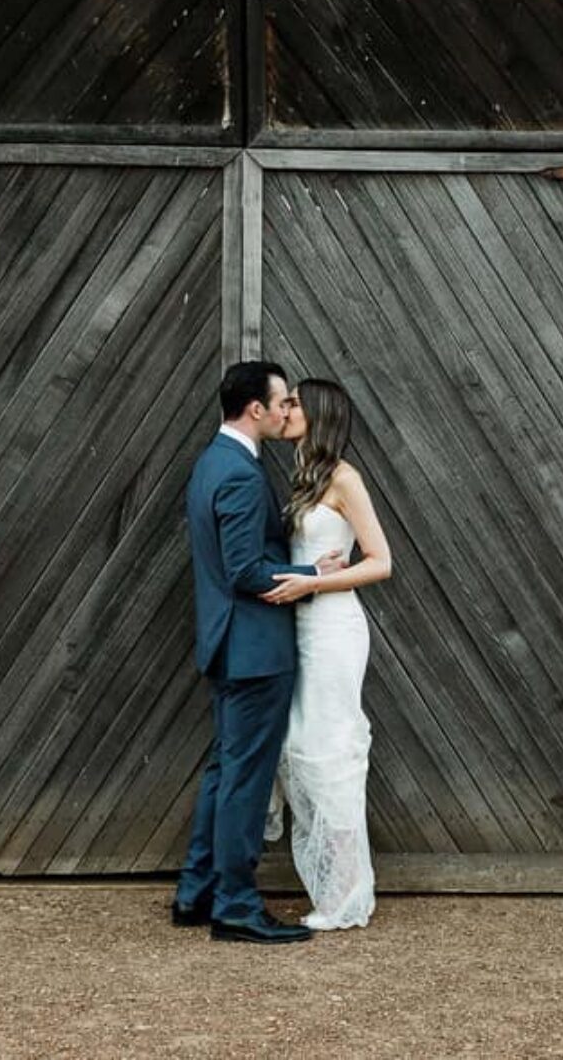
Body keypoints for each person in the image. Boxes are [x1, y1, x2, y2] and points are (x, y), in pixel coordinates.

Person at [172, 361, 344, 944]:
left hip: (226, 643)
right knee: (245, 779)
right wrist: (309, 571)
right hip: (255, 649)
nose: (285, 411)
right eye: (281, 402)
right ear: (256, 410)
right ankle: (238, 906)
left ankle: (197, 892)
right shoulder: (242, 476)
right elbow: (246, 569)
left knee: (225, 770)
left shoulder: (210, 463)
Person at [262, 379, 392, 930]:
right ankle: (331, 884)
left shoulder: (344, 478)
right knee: (300, 747)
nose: (285, 410)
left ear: (319, 413)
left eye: (294, 403)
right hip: (302, 629)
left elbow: (381, 561)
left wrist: (312, 585)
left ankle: (345, 897)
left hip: (335, 631)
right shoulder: (305, 478)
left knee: (332, 754)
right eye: (283, 401)